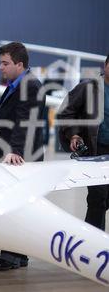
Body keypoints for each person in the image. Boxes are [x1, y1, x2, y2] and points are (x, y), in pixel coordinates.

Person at [0, 42, 45, 271]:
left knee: (15, 206)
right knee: (21, 205)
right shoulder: (17, 83)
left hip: (22, 156)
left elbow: (25, 122)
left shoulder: (30, 86)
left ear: (20, 64)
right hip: (18, 152)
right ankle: (19, 255)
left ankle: (11, 256)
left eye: (5, 63)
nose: (0, 67)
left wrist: (16, 151)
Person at [57, 54, 109, 230]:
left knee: (103, 199)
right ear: (105, 66)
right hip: (96, 151)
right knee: (98, 198)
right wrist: (74, 134)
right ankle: (93, 246)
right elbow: (65, 112)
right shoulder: (88, 88)